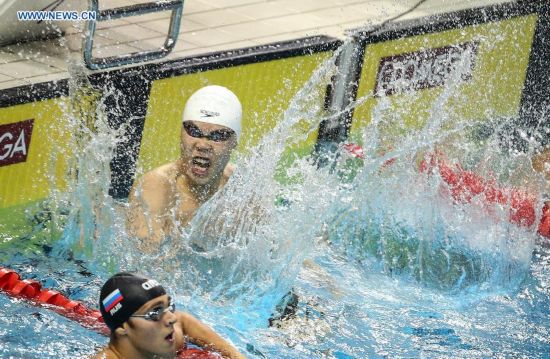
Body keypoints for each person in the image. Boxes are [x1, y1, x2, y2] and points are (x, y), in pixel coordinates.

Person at [127, 85, 242, 246]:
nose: (203, 144)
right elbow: (143, 262)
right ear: (181, 133)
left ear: (234, 142)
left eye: (217, 136)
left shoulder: (242, 188)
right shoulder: (157, 187)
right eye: (194, 131)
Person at [92, 272, 245, 359]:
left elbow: (183, 320)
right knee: (85, 317)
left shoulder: (172, 336)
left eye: (168, 306)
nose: (172, 318)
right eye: (155, 313)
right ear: (123, 328)